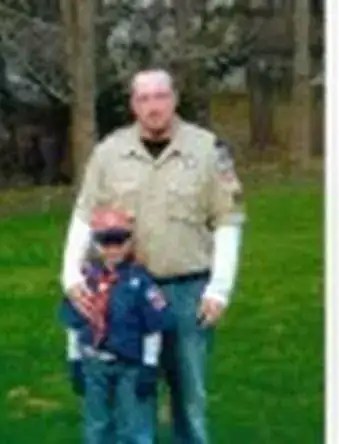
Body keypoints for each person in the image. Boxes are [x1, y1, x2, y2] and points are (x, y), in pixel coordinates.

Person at [60, 68, 246, 444]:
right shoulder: (109, 153)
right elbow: (84, 214)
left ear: (174, 99)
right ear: (133, 104)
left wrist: (220, 289)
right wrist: (71, 275)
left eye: (160, 96)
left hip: (187, 293)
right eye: (143, 98)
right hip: (123, 293)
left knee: (189, 396)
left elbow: (228, 221)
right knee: (131, 396)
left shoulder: (209, 151)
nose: (153, 106)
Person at [60, 206, 174, 444]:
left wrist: (150, 365)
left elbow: (153, 328)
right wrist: (74, 360)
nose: (113, 249)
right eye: (105, 242)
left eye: (119, 241)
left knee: (133, 424)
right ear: (94, 243)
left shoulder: (140, 282)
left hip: (130, 365)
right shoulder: (85, 281)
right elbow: (74, 323)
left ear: (129, 242)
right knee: (96, 424)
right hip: (93, 362)